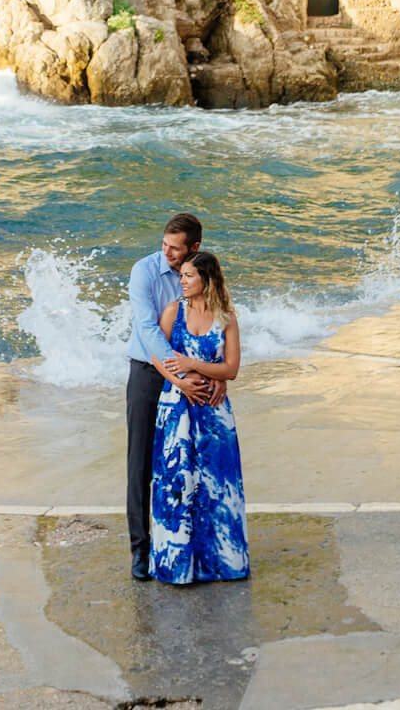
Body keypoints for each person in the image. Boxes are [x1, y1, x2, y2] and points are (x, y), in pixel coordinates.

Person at [126, 213, 218, 580]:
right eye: (164, 244)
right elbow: (147, 329)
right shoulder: (144, 271)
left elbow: (214, 318)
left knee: (189, 461)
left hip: (193, 375)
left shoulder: (202, 272)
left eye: (175, 248)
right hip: (149, 374)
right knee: (140, 463)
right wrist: (181, 373)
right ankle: (140, 548)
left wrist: (213, 373)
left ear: (193, 247)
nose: (166, 252)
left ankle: (189, 544)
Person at [149, 250, 249, 585]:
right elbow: (157, 356)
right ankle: (177, 567)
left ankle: (223, 564)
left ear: (207, 279)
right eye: (181, 276)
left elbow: (231, 369)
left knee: (217, 485)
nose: (182, 281)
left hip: (214, 413)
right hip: (176, 408)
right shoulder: (173, 311)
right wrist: (180, 381)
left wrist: (194, 366)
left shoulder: (227, 318)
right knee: (177, 484)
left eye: (189, 276)